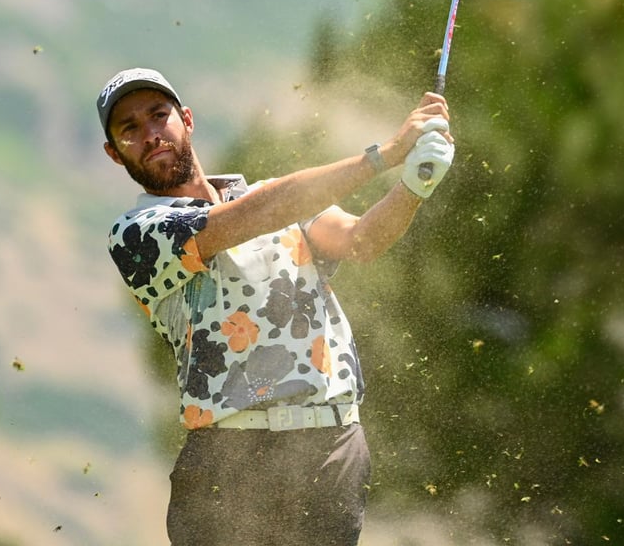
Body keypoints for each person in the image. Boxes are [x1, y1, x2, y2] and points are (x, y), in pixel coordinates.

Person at [96, 67, 455, 545]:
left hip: (330, 445)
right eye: (130, 130)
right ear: (113, 153)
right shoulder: (136, 233)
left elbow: (361, 240)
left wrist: (414, 185)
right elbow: (258, 213)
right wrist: (386, 155)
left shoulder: (273, 197)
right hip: (230, 457)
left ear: (186, 118)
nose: (150, 134)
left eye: (159, 116)